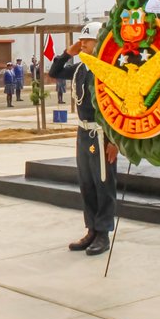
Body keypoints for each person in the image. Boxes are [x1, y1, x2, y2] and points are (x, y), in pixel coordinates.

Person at [49, 22, 118, 256]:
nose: (84, 44)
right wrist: (68, 53)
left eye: (88, 40)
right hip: (82, 132)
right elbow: (54, 72)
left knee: (104, 183)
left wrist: (114, 140)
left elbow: (118, 106)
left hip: (101, 133)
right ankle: (91, 229)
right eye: (83, 41)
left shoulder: (107, 68)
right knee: (86, 183)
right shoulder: (80, 68)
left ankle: (103, 233)